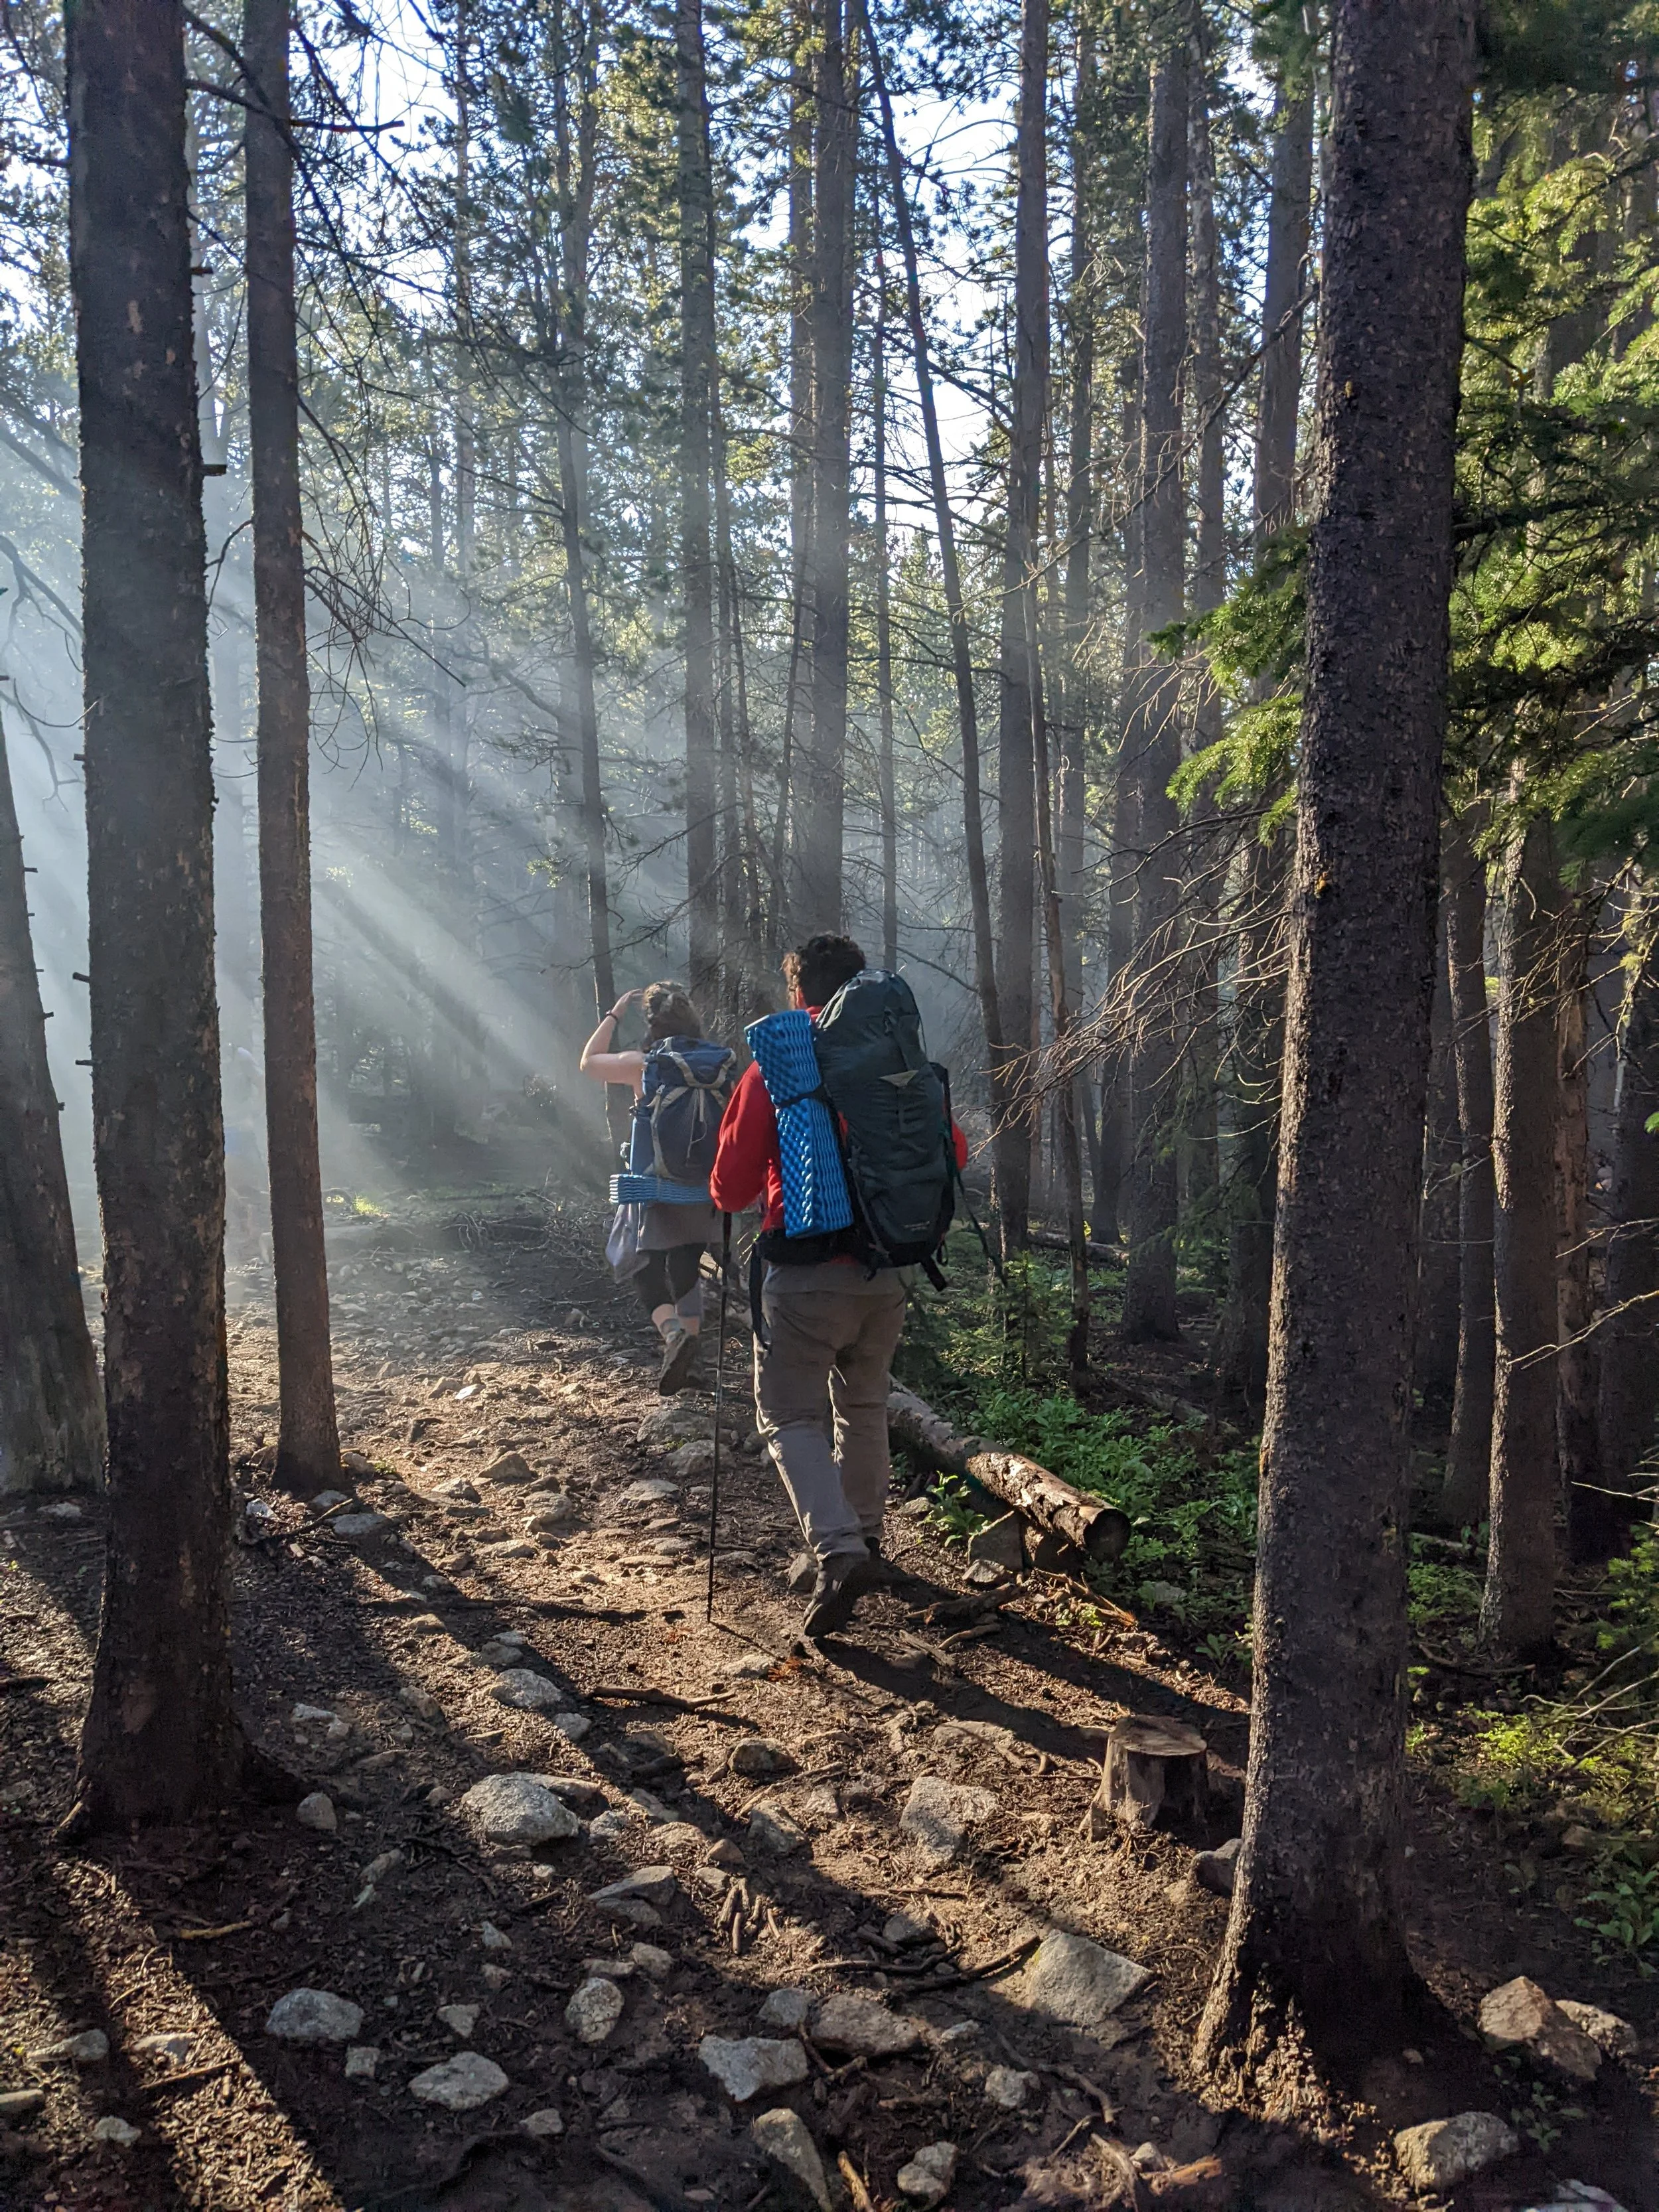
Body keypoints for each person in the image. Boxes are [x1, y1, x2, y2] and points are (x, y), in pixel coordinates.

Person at [710, 933, 968, 1639]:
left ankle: (838, 1549)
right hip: (888, 1270)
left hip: (803, 1275)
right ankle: (866, 1538)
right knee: (862, 1404)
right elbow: (958, 1153)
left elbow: (729, 1189)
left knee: (788, 1416)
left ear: (800, 995)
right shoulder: (900, 1068)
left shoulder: (782, 1069)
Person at [581, 982, 731, 1393]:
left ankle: (673, 1337)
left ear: (652, 1022)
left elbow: (589, 1062)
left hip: (655, 1188)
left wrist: (613, 1014)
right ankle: (692, 1360)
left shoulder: (644, 1064)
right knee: (687, 1268)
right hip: (703, 1187)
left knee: (640, 1266)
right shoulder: (714, 1066)